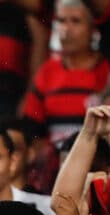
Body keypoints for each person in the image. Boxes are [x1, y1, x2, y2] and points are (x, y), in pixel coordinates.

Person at [22, 0, 109, 145]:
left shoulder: (106, 71)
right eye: (61, 21)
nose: (66, 29)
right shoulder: (47, 71)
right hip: (55, 162)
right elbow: (31, 127)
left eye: (75, 21)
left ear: (92, 28)